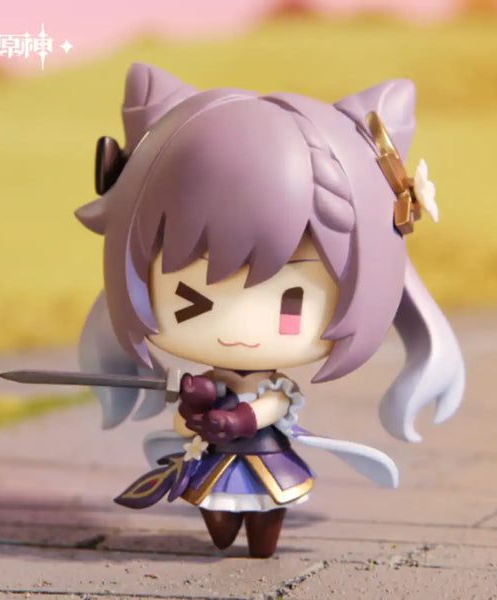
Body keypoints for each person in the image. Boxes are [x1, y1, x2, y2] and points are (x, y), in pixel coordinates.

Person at [76, 63, 465, 558]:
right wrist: (193, 412)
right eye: (190, 299)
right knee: (215, 509)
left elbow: (274, 406)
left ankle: (261, 542)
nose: (241, 329)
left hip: (265, 457)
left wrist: (240, 420)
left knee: (266, 511)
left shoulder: (272, 387)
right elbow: (185, 425)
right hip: (213, 461)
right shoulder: (207, 379)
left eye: (290, 304)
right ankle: (223, 533)